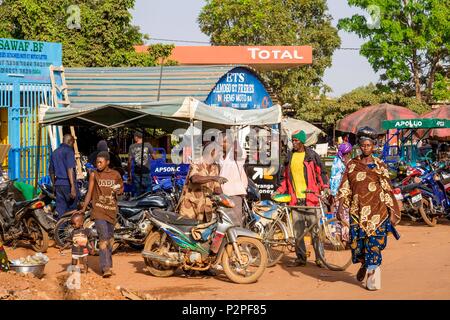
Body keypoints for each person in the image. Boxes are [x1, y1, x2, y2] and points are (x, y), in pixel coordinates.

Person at [337, 126, 401, 291]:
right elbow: (345, 187)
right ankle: (364, 265)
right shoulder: (352, 164)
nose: (366, 148)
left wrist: (392, 210)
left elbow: (387, 188)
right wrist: (339, 208)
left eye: (369, 145)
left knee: (374, 245)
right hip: (357, 212)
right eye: (363, 145)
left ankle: (372, 280)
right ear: (359, 146)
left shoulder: (380, 165)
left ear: (373, 146)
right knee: (357, 246)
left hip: (377, 213)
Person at [274, 130, 330, 268]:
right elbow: (283, 178)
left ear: (302, 141)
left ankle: (320, 259)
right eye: (292, 140)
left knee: (316, 231)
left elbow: (322, 172)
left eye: (296, 140)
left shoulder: (311, 156)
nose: (294, 143)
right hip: (295, 200)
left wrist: (325, 187)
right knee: (298, 233)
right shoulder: (289, 157)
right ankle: (301, 258)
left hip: (311, 200)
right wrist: (279, 190)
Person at [79, 151, 123, 278]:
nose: (98, 164)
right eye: (97, 162)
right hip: (98, 210)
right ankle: (106, 268)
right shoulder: (94, 175)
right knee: (103, 238)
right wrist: (83, 208)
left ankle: (108, 263)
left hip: (111, 211)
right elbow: (89, 192)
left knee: (109, 239)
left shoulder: (116, 175)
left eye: (100, 162)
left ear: (107, 162)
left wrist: (117, 191)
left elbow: (121, 189)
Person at [177, 141, 227, 223]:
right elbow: (194, 179)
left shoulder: (215, 167)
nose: (221, 154)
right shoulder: (197, 162)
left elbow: (217, 188)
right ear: (212, 151)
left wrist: (225, 199)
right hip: (191, 207)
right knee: (188, 232)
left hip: (206, 208)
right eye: (219, 152)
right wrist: (214, 178)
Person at [219, 133, 248, 227]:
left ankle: (238, 241)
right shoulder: (219, 155)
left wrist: (234, 139)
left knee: (236, 222)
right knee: (223, 222)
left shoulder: (237, 153)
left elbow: (237, 151)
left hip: (234, 194)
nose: (221, 144)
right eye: (220, 141)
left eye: (224, 141)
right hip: (221, 193)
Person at [49, 134, 78, 219]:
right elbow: (70, 169)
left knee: (61, 210)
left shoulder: (55, 152)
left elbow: (51, 171)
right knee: (72, 209)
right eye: (73, 143)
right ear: (70, 142)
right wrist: (72, 187)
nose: (73, 146)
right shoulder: (69, 151)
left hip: (58, 184)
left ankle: (60, 229)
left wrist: (54, 185)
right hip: (68, 184)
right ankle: (70, 229)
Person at [329, 142, 353, 244]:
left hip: (338, 193)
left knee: (339, 216)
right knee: (345, 215)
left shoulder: (337, 161)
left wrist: (333, 194)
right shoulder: (349, 162)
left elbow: (333, 179)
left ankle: (340, 239)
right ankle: (345, 239)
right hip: (345, 193)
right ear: (349, 152)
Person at [127, 131, 155, 196]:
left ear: (136, 137)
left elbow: (129, 162)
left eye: (134, 137)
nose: (134, 138)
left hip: (137, 173)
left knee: (138, 194)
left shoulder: (132, 146)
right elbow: (154, 157)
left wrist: (129, 174)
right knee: (148, 194)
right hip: (146, 171)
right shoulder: (148, 145)